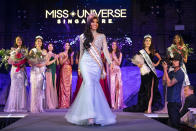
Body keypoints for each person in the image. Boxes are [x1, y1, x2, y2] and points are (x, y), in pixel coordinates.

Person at [65, 13, 116, 126]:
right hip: (85, 63)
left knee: (93, 87)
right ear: (89, 23)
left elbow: (106, 51)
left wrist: (110, 62)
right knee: (88, 84)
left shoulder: (102, 36)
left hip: (96, 65)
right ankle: (90, 116)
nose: (95, 24)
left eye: (97, 22)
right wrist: (79, 68)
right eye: (93, 22)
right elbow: (81, 52)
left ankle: (94, 114)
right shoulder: (82, 36)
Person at [123, 34, 162, 113]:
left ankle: (149, 107)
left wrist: (155, 64)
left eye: (149, 41)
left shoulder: (153, 51)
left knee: (151, 90)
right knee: (145, 90)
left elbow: (160, 59)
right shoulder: (141, 51)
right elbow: (135, 61)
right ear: (144, 42)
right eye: (146, 41)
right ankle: (145, 106)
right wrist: (139, 65)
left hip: (152, 72)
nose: (148, 42)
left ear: (151, 42)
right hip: (144, 73)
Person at [4, 36, 28, 112]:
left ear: (22, 41)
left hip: (21, 69)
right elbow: (10, 61)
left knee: (21, 87)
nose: (19, 41)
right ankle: (13, 105)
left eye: (20, 40)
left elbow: (26, 60)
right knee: (14, 86)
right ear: (15, 41)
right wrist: (12, 60)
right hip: (14, 70)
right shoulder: (12, 49)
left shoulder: (24, 50)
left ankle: (21, 106)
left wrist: (22, 64)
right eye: (17, 40)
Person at [162, 54, 185, 129]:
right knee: (171, 124)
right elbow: (164, 82)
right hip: (170, 101)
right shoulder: (171, 73)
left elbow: (169, 84)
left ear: (180, 62)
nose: (173, 62)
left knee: (175, 125)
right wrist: (165, 70)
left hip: (175, 102)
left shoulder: (180, 73)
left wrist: (165, 70)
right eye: (173, 60)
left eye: (176, 61)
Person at [29, 36, 47, 113]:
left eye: (40, 41)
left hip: (41, 71)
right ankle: (34, 107)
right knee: (34, 89)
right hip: (34, 71)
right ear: (35, 43)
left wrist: (42, 65)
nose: (39, 42)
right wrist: (35, 63)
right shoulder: (32, 50)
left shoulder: (44, 51)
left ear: (42, 43)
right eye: (37, 41)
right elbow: (29, 62)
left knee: (40, 90)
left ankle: (40, 107)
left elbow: (45, 61)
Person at [58, 42, 74, 108]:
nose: (67, 46)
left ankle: (68, 103)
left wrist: (71, 57)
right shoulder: (61, 53)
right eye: (66, 45)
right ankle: (63, 104)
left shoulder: (70, 54)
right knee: (63, 85)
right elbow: (61, 63)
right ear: (64, 46)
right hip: (64, 69)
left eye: (68, 45)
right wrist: (66, 57)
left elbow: (72, 63)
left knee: (68, 86)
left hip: (69, 70)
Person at [109, 41, 123, 109]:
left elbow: (119, 63)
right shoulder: (109, 53)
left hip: (118, 70)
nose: (113, 45)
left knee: (118, 87)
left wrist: (114, 57)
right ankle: (113, 104)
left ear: (117, 46)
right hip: (112, 71)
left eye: (115, 44)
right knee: (112, 88)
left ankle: (117, 103)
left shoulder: (119, 53)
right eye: (112, 44)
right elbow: (109, 63)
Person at [45, 43, 58, 109]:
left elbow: (57, 64)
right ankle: (49, 103)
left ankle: (53, 102)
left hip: (54, 72)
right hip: (49, 72)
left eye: (51, 46)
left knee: (53, 86)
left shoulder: (54, 54)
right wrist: (54, 59)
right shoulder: (47, 54)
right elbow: (47, 63)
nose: (50, 47)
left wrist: (57, 58)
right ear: (47, 47)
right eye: (49, 46)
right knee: (49, 87)